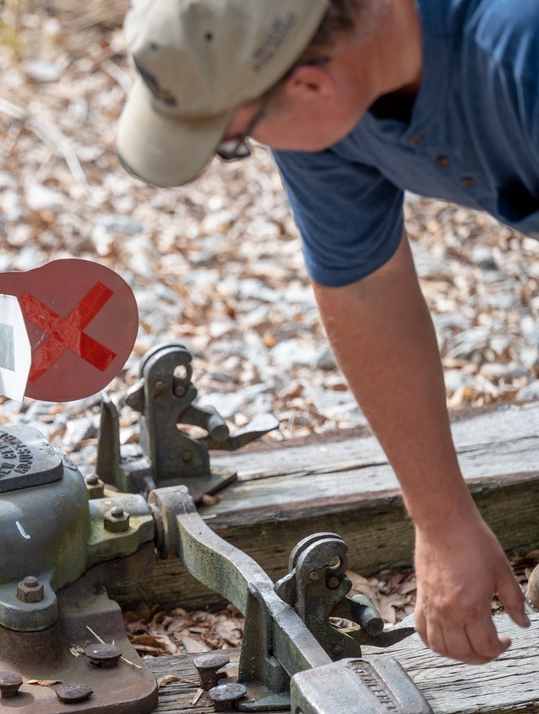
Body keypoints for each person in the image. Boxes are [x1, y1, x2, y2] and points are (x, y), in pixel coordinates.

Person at [115, 0, 535, 665]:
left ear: (309, 86)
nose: (249, 148)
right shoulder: (323, 101)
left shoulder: (517, 43)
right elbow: (365, 288)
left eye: (233, 140)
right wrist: (441, 523)